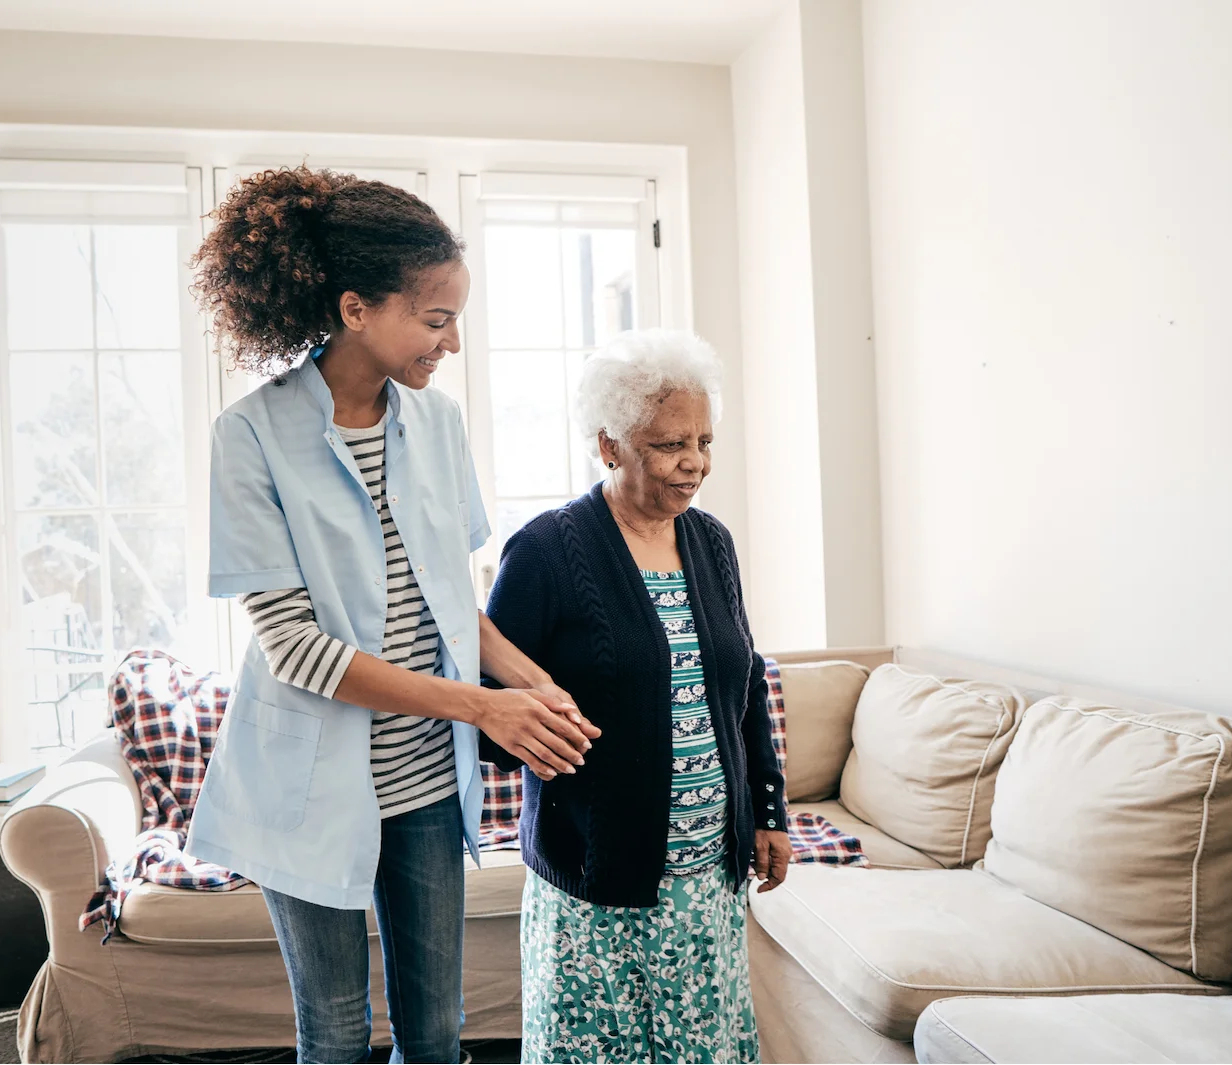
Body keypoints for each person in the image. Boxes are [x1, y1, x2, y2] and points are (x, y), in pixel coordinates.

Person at [183, 167, 602, 1065]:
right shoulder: (250, 436)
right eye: (436, 317)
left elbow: (457, 605)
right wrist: (483, 706)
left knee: (437, 1032)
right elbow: (296, 650)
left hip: (423, 782)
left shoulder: (438, 423)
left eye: (456, 318)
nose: (451, 341)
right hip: (311, 786)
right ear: (357, 308)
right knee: (334, 1033)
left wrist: (537, 686)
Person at [481, 328, 790, 1064]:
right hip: (595, 880)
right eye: (668, 444)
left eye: (704, 440)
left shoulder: (712, 542)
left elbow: (742, 684)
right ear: (610, 444)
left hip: (706, 884)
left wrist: (770, 809)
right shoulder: (547, 550)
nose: (695, 463)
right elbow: (491, 709)